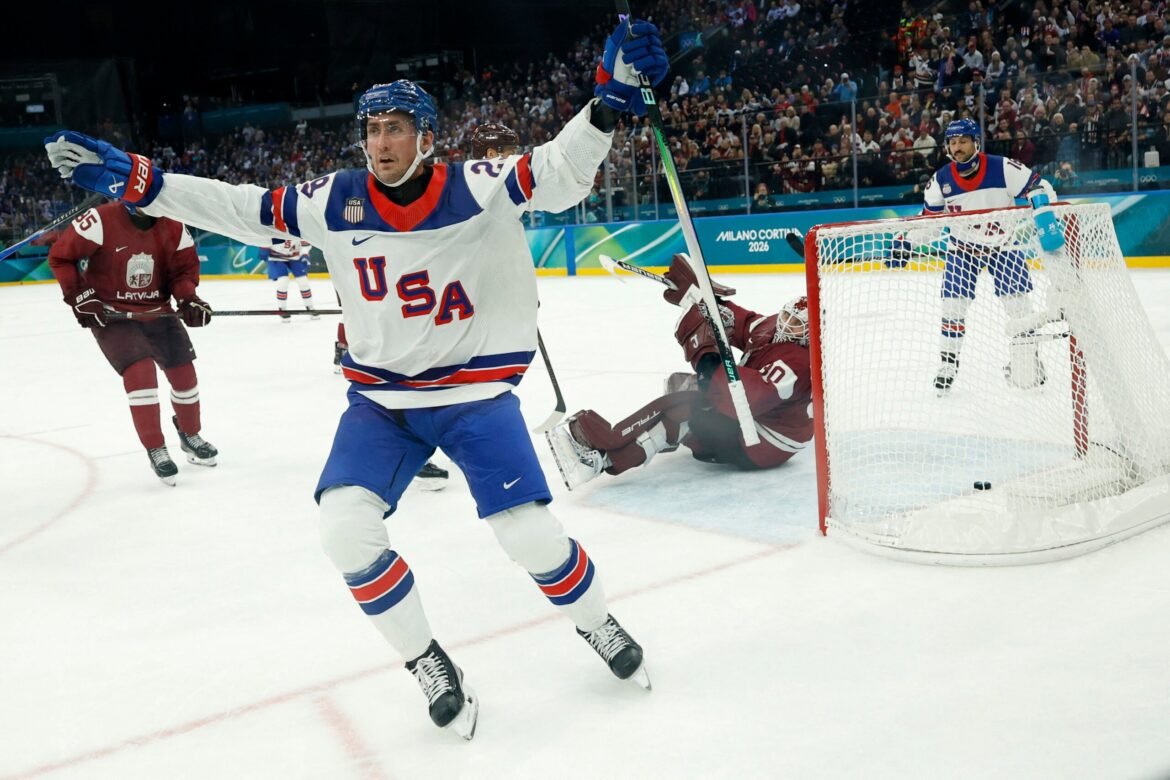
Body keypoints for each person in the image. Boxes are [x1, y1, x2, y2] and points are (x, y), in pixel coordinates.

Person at [44, 15, 668, 740]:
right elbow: (241, 208)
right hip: (382, 404)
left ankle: (596, 622)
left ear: (426, 137)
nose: (381, 143)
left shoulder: (477, 186)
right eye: (372, 130)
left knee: (528, 535)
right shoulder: (331, 199)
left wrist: (605, 106)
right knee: (345, 532)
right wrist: (142, 181)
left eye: (396, 129)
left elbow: (559, 173)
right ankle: (427, 660)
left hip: (473, 397)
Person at [547, 255, 813, 488]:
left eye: (797, 324)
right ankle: (667, 435)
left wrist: (708, 359)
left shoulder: (799, 362)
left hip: (764, 443)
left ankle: (601, 461)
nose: (786, 325)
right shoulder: (773, 327)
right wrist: (706, 303)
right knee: (685, 387)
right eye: (786, 316)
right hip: (757, 418)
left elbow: (744, 399)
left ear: (810, 332)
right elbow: (744, 323)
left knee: (683, 408)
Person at [47, 201, 217, 485]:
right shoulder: (100, 219)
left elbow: (183, 270)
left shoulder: (175, 225)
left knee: (185, 376)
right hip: (113, 315)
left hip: (158, 311)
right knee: (141, 373)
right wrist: (79, 296)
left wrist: (188, 299)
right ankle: (156, 448)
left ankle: (190, 434)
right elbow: (61, 256)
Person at [922, 117, 1063, 393]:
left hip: (1004, 246)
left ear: (976, 142)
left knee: (1019, 309)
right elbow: (929, 222)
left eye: (963, 141)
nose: (957, 147)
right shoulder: (940, 180)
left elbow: (1041, 186)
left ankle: (1028, 362)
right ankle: (948, 364)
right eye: (953, 142)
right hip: (962, 250)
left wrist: (1042, 205)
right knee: (952, 307)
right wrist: (905, 242)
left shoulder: (1003, 167)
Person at [260, 237, 318, 320]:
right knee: (283, 281)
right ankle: (282, 308)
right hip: (276, 256)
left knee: (303, 281)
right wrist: (264, 249)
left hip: (295, 256)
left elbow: (305, 242)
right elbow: (265, 239)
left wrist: (304, 253)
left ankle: (310, 306)